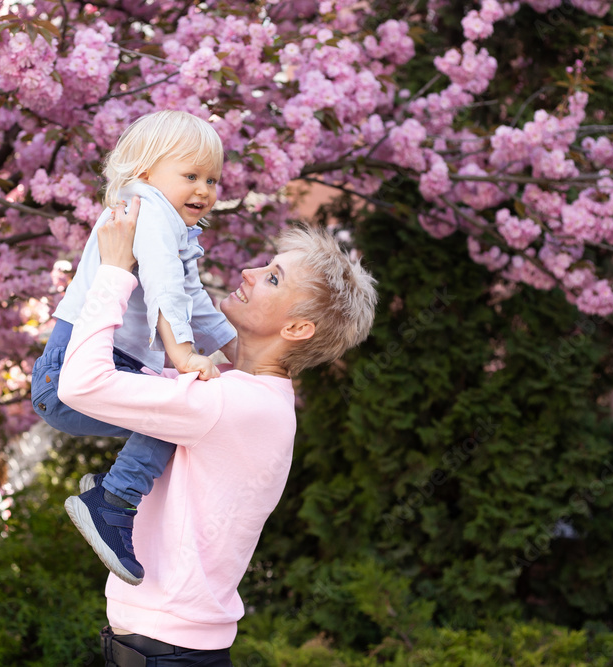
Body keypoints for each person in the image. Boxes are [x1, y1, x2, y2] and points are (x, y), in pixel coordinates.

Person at [57, 198, 378, 666]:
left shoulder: (230, 404)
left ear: (297, 327)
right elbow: (188, 315)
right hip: (162, 650)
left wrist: (113, 271)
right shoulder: (241, 394)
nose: (249, 272)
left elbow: (80, 385)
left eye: (273, 278)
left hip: (167, 654)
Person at [30, 111, 237, 585]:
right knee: (178, 409)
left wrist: (236, 347)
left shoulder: (166, 221)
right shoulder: (147, 209)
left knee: (176, 410)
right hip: (70, 372)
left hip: (91, 366)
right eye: (190, 176)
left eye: (212, 179)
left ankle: (110, 492)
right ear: (145, 171)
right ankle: (113, 502)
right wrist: (183, 355)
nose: (204, 190)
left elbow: (192, 299)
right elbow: (165, 289)